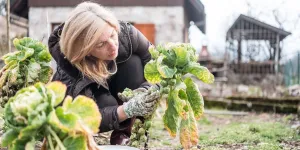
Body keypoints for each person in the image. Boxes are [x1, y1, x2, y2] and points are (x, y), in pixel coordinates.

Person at [48, 1, 160, 145]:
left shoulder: (126, 33)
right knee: (107, 103)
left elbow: (157, 64)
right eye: (101, 44)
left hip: (117, 84)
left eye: (112, 35)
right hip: (96, 100)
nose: (113, 46)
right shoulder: (70, 67)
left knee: (134, 63)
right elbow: (87, 117)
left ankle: (127, 134)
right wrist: (126, 110)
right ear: (85, 51)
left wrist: (145, 90)